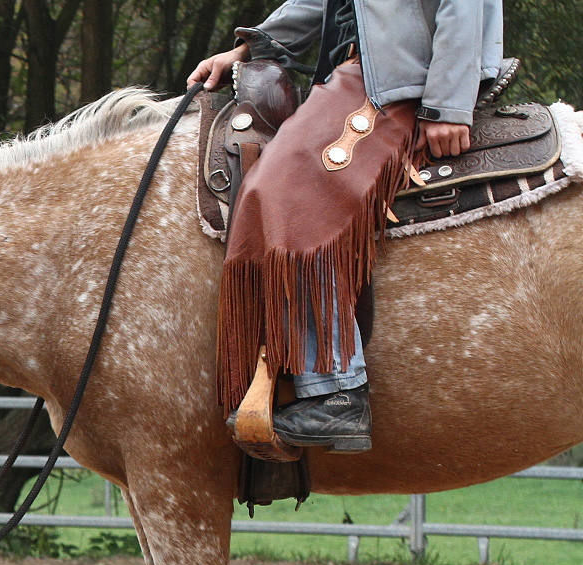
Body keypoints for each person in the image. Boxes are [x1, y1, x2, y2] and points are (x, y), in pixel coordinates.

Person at [188, 3, 509, 452]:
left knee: (286, 189)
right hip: (358, 76)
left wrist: (449, 104)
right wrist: (245, 49)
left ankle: (337, 390)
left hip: (400, 81)